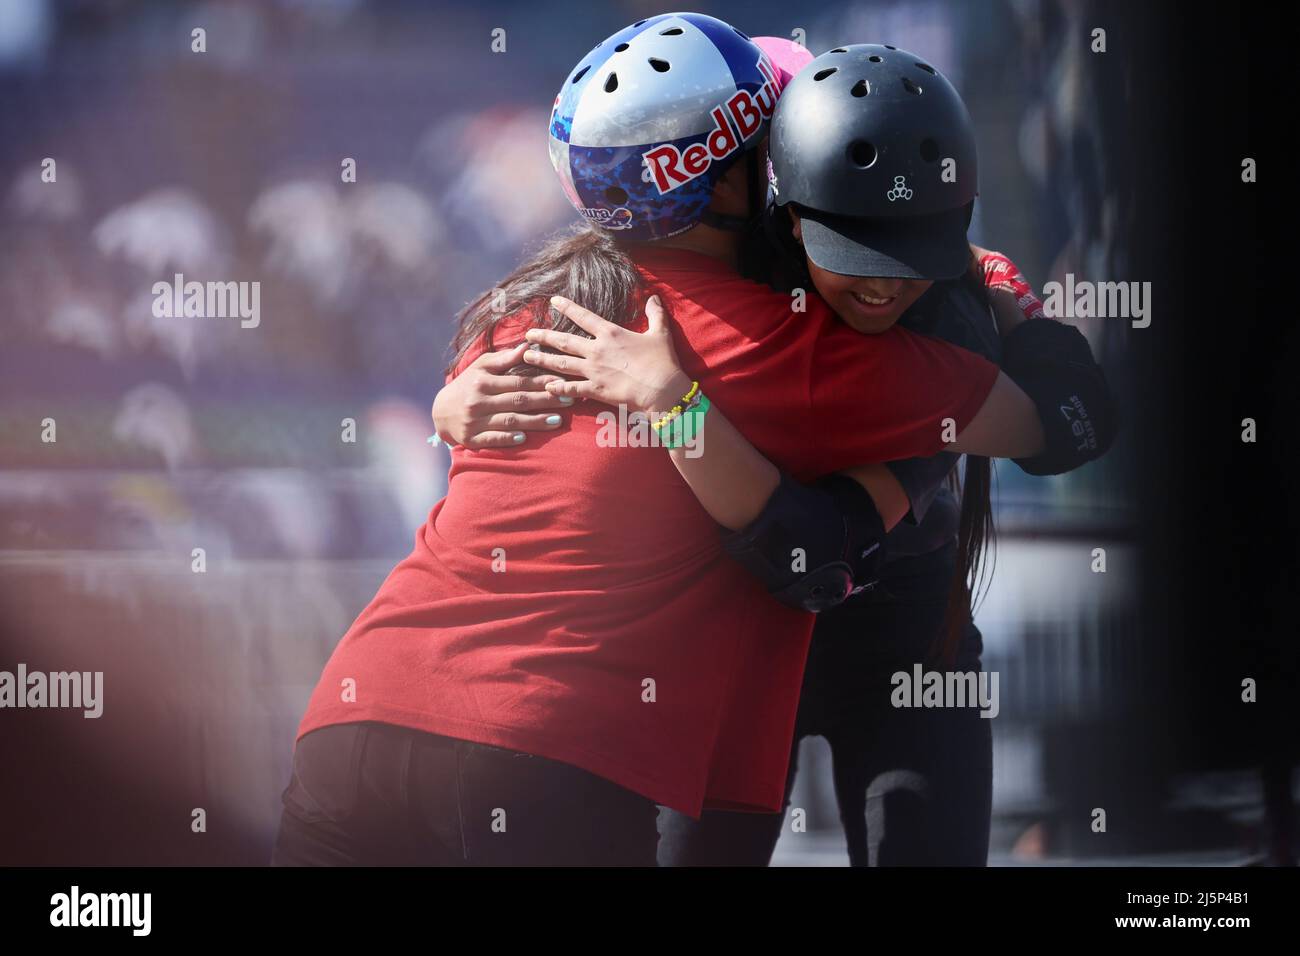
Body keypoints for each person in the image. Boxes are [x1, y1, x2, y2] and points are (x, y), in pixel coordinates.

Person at [273, 14, 1058, 867]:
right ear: (731, 180)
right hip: (542, 744)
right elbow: (1034, 421)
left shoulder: (523, 308)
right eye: (774, 140)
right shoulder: (774, 344)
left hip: (357, 711)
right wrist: (996, 294)